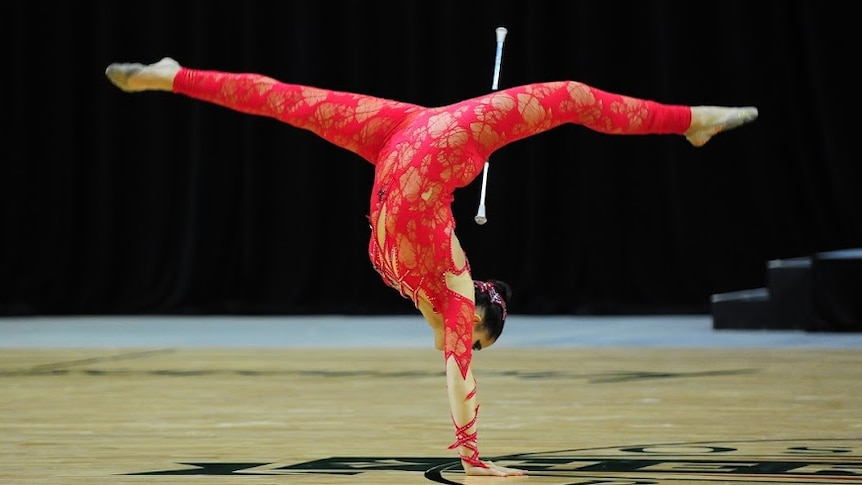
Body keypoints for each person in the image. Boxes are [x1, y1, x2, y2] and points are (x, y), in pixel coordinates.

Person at [104, 56, 758, 477]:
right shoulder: (447, 293)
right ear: (479, 311)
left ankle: (172, 75)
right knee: (573, 97)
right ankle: (692, 121)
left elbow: (453, 357)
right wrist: (474, 459)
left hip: (403, 138)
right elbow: (459, 375)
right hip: (445, 143)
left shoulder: (433, 292)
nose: (461, 341)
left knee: (286, 101)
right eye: (474, 334)